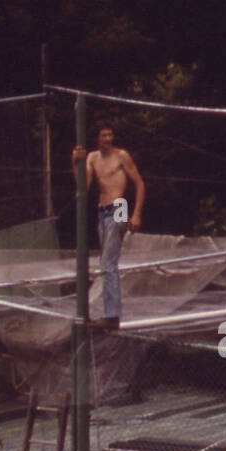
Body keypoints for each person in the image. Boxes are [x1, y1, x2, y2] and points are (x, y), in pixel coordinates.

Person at [71, 122, 145, 330]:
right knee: (107, 261)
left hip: (119, 207)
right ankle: (110, 313)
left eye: (110, 135)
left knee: (107, 264)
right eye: (104, 135)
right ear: (97, 138)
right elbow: (82, 187)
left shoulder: (121, 156)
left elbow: (139, 184)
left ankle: (112, 316)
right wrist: (74, 163)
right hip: (102, 211)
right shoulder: (92, 158)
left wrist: (136, 213)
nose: (108, 139)